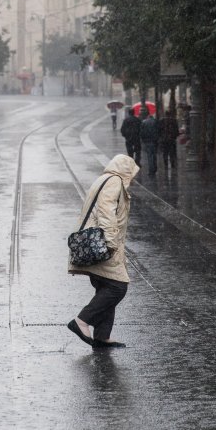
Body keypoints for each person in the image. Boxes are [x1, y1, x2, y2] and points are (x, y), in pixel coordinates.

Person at [67, 154, 140, 348]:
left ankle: (102, 336)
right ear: (125, 171)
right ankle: (82, 320)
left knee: (104, 286)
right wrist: (110, 243)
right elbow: (106, 211)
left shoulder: (105, 179)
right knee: (117, 287)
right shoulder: (114, 181)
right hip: (104, 243)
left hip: (99, 241)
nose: (132, 179)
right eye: (132, 174)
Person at [139, 109, 158, 176]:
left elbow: (142, 132)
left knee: (149, 156)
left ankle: (151, 170)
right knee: (154, 155)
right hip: (154, 141)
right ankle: (155, 168)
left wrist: (143, 140)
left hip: (147, 141)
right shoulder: (155, 121)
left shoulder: (144, 122)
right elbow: (158, 130)